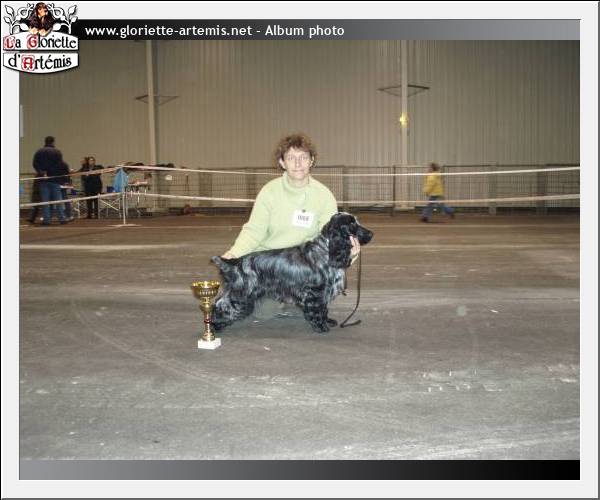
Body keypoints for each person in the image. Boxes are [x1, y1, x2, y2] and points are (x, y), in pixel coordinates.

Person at [220, 133, 361, 318]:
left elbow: (331, 237)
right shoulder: (269, 191)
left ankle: (299, 297)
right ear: (282, 162)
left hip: (305, 268)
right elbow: (254, 231)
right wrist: (234, 253)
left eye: (303, 157)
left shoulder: (324, 195)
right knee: (264, 313)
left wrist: (349, 253)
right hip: (271, 266)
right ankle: (287, 298)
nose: (298, 163)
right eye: (291, 158)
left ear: (311, 160)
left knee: (319, 293)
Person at [32, 136, 67, 225]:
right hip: (55, 179)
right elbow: (61, 164)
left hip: (43, 179)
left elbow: (35, 164)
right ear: (53, 142)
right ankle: (62, 218)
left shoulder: (39, 152)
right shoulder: (57, 152)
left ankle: (47, 220)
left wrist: (41, 172)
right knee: (58, 200)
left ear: (45, 142)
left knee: (45, 202)